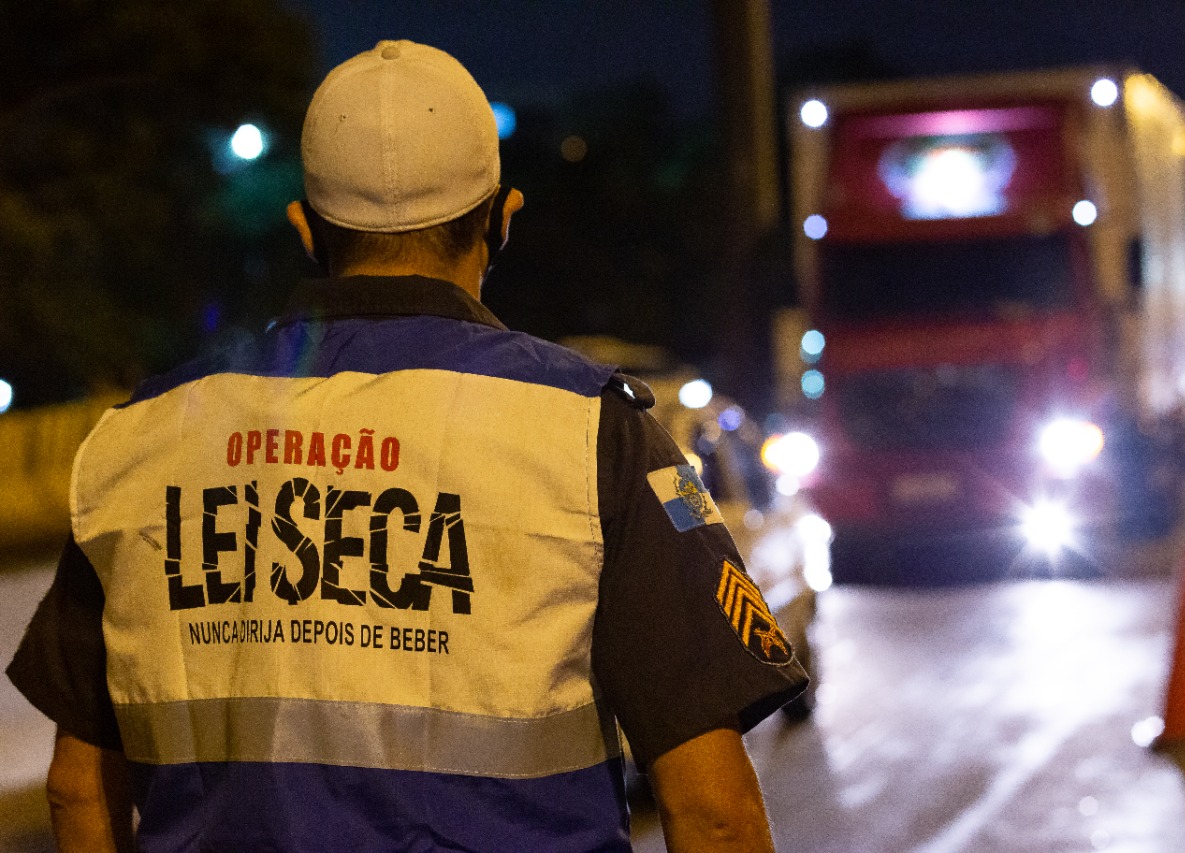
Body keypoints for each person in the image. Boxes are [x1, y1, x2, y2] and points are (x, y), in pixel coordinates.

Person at [7, 39, 807, 852]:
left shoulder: (142, 437)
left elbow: (79, 787)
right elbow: (712, 810)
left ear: (303, 228)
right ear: (502, 220)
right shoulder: (592, 432)